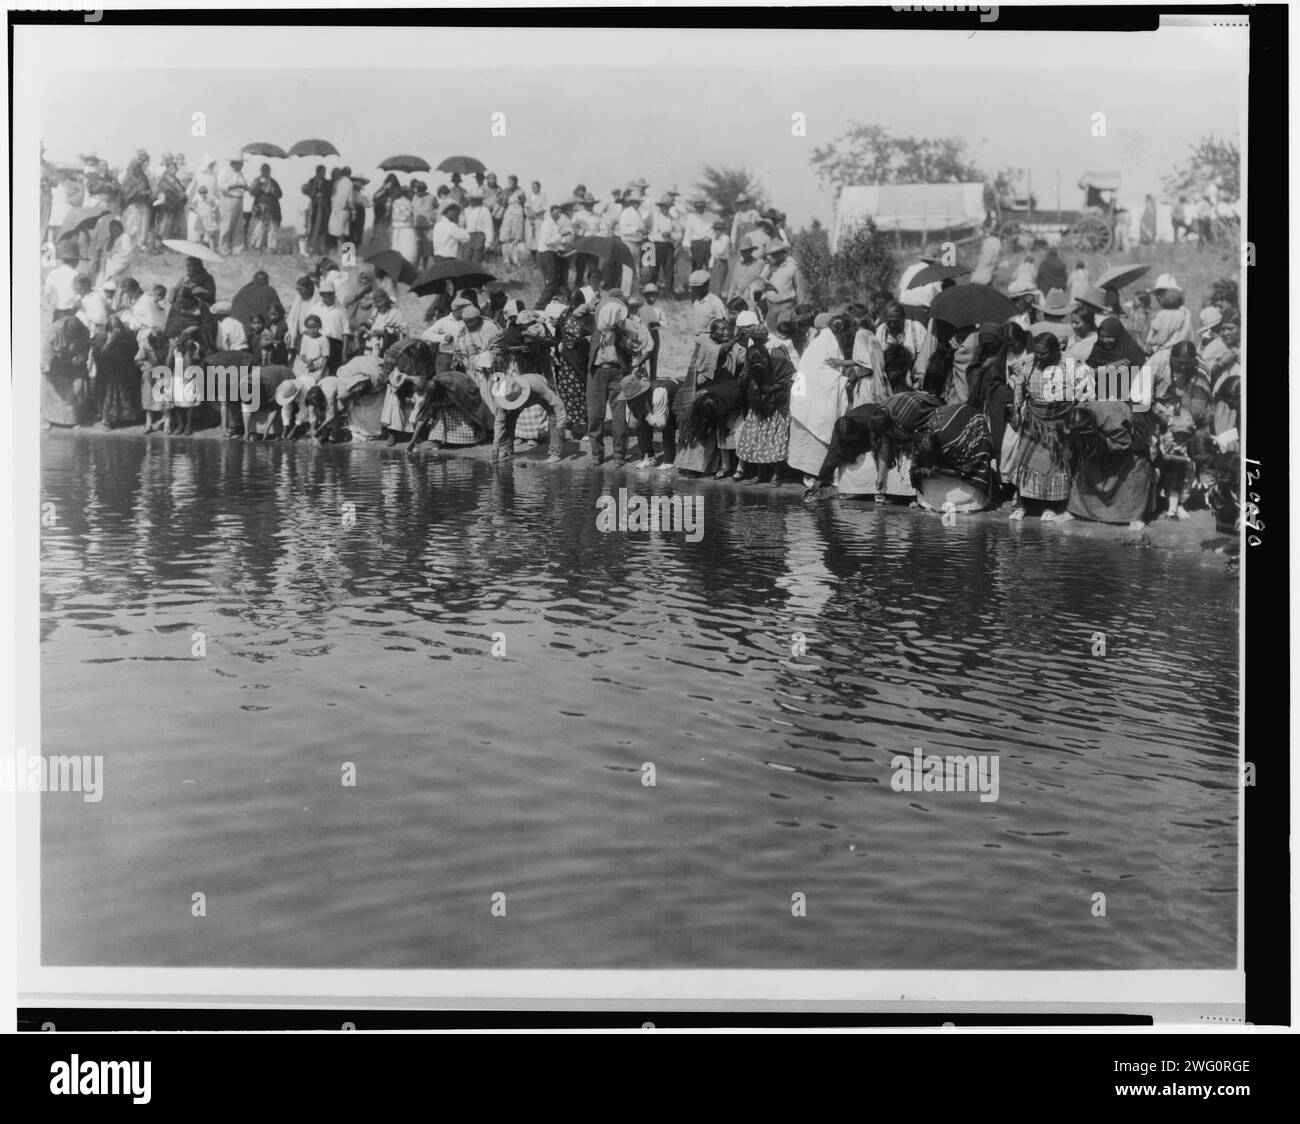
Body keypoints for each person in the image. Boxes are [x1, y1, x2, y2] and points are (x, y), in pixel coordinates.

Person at [1004, 329, 1096, 520]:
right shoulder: (1029, 362)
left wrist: (1074, 416)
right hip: (1033, 421)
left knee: (1055, 465)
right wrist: (1016, 411)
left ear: (1055, 352)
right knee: (1026, 463)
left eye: (1043, 353)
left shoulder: (1070, 364)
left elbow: (1084, 393)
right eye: (1036, 351)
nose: (1039, 356)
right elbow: (1020, 387)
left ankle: (1051, 506)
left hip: (1059, 422)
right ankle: (1022, 504)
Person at [1059, 401, 1156, 528]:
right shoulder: (1075, 414)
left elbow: (1123, 443)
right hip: (1100, 436)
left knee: (1135, 471)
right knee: (1084, 466)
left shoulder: (1113, 420)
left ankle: (1136, 517)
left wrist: (1100, 440)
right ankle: (1076, 511)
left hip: (1129, 439)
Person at [586, 296, 644, 466]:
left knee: (619, 416)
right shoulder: (594, 326)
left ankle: (619, 454)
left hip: (618, 373)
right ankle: (597, 454)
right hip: (596, 373)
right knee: (595, 415)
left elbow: (636, 348)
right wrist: (590, 306)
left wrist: (627, 336)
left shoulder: (625, 329)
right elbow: (577, 315)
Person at [481, 362, 567, 465]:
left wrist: (560, 424)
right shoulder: (503, 396)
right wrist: (495, 445)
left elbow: (557, 404)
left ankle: (555, 452)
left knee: (554, 416)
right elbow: (500, 422)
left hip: (538, 393)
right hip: (517, 396)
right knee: (508, 419)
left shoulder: (536, 385)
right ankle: (507, 450)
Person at [733, 339, 794, 484]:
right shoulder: (751, 367)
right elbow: (742, 383)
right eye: (754, 362)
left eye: (761, 360)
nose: (758, 364)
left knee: (776, 440)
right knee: (758, 439)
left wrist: (772, 389)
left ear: (766, 356)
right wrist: (751, 380)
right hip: (760, 404)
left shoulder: (779, 361)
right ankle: (760, 474)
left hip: (779, 403)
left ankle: (777, 475)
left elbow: (791, 378)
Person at [41, 312, 92, 429]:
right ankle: (48, 418)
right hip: (56, 365)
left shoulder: (84, 331)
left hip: (74, 364)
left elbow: (85, 351)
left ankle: (74, 419)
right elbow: (47, 351)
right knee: (51, 389)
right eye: (69, 334)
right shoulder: (54, 330)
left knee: (77, 388)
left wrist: (77, 361)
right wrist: (47, 364)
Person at [621, 370, 678, 470]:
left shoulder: (658, 393)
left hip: (674, 394)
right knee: (642, 424)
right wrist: (638, 413)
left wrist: (647, 414)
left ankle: (669, 460)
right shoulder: (629, 398)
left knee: (669, 424)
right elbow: (632, 425)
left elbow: (661, 423)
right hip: (651, 400)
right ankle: (647, 457)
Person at [1146, 274, 1193, 352]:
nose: (1158, 297)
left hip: (1165, 355)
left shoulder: (1164, 314)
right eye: (1157, 294)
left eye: (1162, 293)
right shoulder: (1186, 312)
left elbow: (1155, 340)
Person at [120, 150, 155, 251]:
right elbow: (125, 192)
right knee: (131, 225)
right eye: (135, 167)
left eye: (138, 167)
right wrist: (137, 193)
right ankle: (129, 244)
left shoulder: (143, 177)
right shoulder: (127, 178)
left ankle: (140, 244)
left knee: (143, 225)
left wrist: (147, 193)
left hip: (143, 205)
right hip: (132, 205)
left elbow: (148, 189)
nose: (137, 169)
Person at [216, 154, 248, 255]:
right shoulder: (224, 171)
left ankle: (237, 249)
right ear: (234, 163)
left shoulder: (240, 173)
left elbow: (245, 185)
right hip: (228, 199)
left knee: (238, 226)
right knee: (226, 224)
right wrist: (235, 185)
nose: (242, 165)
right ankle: (223, 248)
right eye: (241, 163)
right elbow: (221, 186)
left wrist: (244, 186)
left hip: (239, 199)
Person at [246, 164, 283, 252]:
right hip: (259, 208)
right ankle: (256, 247)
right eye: (264, 170)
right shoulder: (257, 180)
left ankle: (271, 248)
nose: (265, 171)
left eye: (267, 170)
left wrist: (272, 190)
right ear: (261, 171)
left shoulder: (273, 182)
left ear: (269, 171)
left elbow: (279, 194)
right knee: (259, 227)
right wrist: (260, 184)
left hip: (272, 208)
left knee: (272, 227)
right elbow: (252, 192)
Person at [302, 165, 332, 255]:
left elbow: (329, 193)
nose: (323, 173)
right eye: (321, 171)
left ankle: (321, 248)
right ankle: (311, 248)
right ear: (317, 172)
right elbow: (309, 192)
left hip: (324, 208)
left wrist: (322, 195)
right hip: (314, 208)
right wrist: (315, 192)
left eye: (324, 171)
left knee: (323, 229)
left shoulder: (327, 182)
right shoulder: (312, 181)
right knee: (313, 228)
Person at [499, 175, 527, 266]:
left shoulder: (521, 191)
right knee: (505, 237)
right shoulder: (506, 190)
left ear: (516, 182)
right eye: (509, 182)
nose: (510, 183)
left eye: (512, 182)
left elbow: (523, 204)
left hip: (518, 213)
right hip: (508, 213)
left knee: (516, 238)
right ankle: (506, 259)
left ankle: (515, 259)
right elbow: (503, 204)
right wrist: (505, 196)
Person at [462, 190, 496, 263]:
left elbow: (489, 227)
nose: (473, 201)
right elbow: (465, 225)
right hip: (468, 236)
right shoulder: (468, 210)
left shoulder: (484, 210)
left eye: (476, 199)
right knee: (466, 259)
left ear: (480, 200)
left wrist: (488, 243)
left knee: (476, 260)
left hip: (479, 237)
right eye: (472, 199)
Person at [328, 166, 354, 253]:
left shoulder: (337, 183)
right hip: (344, 209)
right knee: (343, 231)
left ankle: (339, 250)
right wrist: (353, 210)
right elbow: (350, 199)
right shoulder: (349, 183)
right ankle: (341, 251)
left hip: (336, 209)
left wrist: (334, 207)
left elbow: (332, 196)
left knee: (337, 230)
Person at [524, 180, 547, 260]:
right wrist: (530, 216)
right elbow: (527, 206)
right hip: (530, 219)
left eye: (535, 187)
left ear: (539, 187)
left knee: (538, 239)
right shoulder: (530, 194)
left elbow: (544, 208)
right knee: (530, 239)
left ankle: (539, 260)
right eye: (532, 187)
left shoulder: (543, 195)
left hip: (538, 219)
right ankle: (533, 259)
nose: (533, 189)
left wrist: (536, 213)